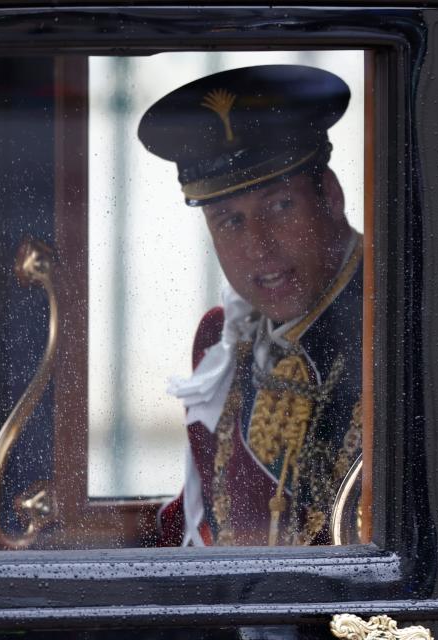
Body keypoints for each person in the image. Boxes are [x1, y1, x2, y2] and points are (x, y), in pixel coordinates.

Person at [137, 65, 363, 546]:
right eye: (229, 222)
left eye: (280, 206)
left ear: (332, 195)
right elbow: (203, 526)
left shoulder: (408, 320)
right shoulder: (220, 341)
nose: (258, 248)